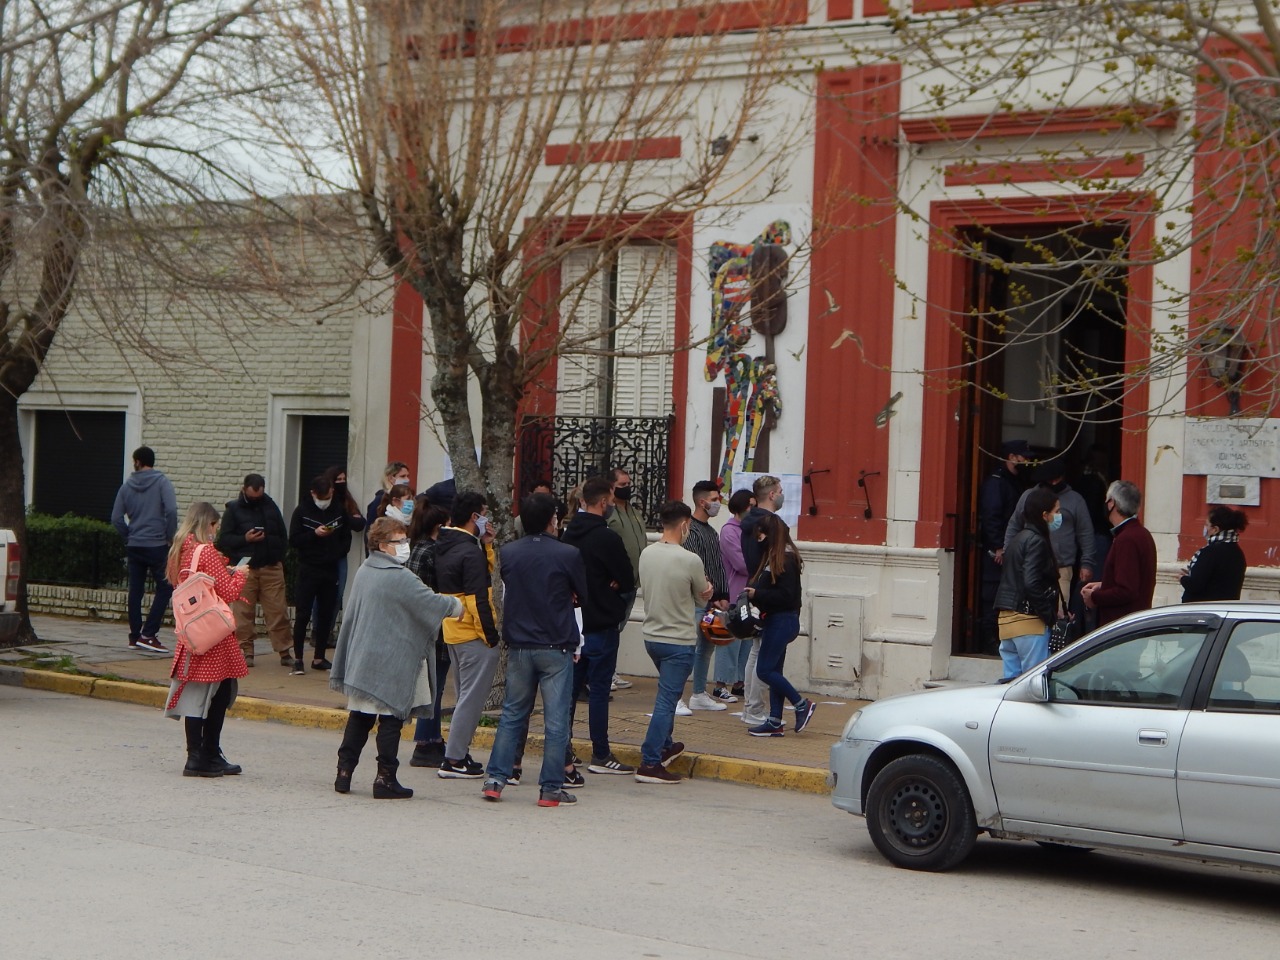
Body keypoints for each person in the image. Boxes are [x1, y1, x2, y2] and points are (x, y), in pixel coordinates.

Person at [329, 517, 463, 798]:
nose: (404, 546)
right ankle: (385, 779)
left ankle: (344, 773)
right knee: (391, 719)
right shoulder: (399, 577)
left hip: (363, 660)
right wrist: (457, 605)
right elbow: (431, 602)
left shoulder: (365, 570)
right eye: (398, 541)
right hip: (392, 662)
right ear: (381, 545)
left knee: (360, 717)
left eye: (405, 540)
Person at [482, 493, 588, 807]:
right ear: (552, 520)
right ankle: (550, 788)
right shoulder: (568, 553)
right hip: (555, 642)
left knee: (512, 713)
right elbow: (582, 594)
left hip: (520, 642)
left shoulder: (510, 552)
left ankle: (495, 779)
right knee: (556, 720)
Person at [162, 501, 248, 778]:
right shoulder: (206, 551)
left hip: (191, 632)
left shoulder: (179, 550)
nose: (216, 532)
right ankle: (209, 755)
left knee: (195, 695)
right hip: (213, 633)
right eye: (215, 526)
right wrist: (240, 575)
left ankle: (195, 756)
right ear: (207, 524)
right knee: (218, 694)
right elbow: (229, 592)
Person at [560, 475, 636, 776]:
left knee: (568, 692)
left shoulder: (567, 535)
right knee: (600, 691)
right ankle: (601, 753)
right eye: (611, 501)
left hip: (573, 623)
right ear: (603, 503)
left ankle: (563, 749)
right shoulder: (607, 538)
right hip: (601, 622)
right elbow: (627, 578)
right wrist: (613, 586)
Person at [634, 500, 710, 784]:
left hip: (652, 636)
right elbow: (701, 597)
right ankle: (650, 761)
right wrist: (707, 589)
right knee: (667, 700)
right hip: (679, 640)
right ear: (685, 525)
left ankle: (664, 744)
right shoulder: (690, 559)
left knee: (667, 695)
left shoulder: (647, 553)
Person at [434, 491, 501, 779]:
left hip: (453, 630)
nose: (487, 518)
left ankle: (458, 753)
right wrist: (491, 637)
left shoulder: (447, 544)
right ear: (475, 516)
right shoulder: (469, 551)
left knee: (464, 697)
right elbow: (478, 598)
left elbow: (476, 575)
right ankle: (454, 758)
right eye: (484, 513)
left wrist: (486, 546)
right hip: (473, 634)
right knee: (470, 701)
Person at [745, 512, 816, 738]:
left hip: (782, 621)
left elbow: (786, 596)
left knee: (764, 670)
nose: (759, 540)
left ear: (771, 535)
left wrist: (757, 594)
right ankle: (775, 720)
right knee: (775, 670)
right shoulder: (776, 557)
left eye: (761, 536)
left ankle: (801, 704)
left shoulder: (785, 560)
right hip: (777, 620)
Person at [1004, 455, 1096, 618]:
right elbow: (1014, 525)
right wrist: (1008, 553)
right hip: (1029, 565)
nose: (1054, 483)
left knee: (1059, 613)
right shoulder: (1028, 496)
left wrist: (1086, 563)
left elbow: (1085, 533)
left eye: (1057, 479)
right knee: (1028, 613)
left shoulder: (1076, 500)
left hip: (1061, 568)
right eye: (1050, 480)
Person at [216, 473, 292, 667]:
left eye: (259, 496)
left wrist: (278, 557)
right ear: (244, 490)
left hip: (271, 565)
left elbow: (282, 535)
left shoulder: (271, 507)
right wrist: (245, 539)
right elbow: (224, 540)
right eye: (251, 497)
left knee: (278, 610)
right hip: (244, 567)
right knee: (242, 613)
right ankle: (245, 651)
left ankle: (284, 651)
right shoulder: (233, 510)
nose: (255, 500)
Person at [111, 445, 178, 653]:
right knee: (166, 587)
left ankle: (134, 636)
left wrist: (129, 535)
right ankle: (148, 634)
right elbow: (171, 510)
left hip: (135, 545)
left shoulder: (126, 487)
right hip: (157, 544)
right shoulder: (162, 482)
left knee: (136, 591)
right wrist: (169, 536)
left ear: (138, 462)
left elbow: (116, 518)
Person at [993, 487, 1061, 680]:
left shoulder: (1017, 539)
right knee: (1034, 681)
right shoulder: (1037, 541)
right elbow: (1031, 582)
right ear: (1044, 515)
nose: (1059, 516)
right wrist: (1049, 615)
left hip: (1006, 621)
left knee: (1011, 683)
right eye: (1056, 511)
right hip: (1029, 622)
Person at [406, 500, 454, 768]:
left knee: (432, 685)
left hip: (420, 627)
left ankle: (432, 738)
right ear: (439, 526)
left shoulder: (417, 548)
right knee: (434, 687)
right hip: (435, 629)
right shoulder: (433, 552)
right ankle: (425, 742)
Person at [288, 475, 350, 673]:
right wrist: (314, 534)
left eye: (328, 496)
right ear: (313, 493)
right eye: (322, 497)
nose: (326, 500)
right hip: (308, 568)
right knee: (303, 614)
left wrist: (336, 552)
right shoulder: (302, 511)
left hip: (330, 568)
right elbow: (294, 540)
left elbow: (346, 538)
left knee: (326, 613)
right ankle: (298, 658)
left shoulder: (338, 509)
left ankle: (319, 657)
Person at [681, 480, 733, 712]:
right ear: (702, 502)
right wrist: (709, 591)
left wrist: (722, 594)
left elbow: (717, 566)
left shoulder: (711, 532)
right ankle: (676, 696)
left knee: (706, 648)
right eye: (714, 499)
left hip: (712, 601)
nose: (718, 503)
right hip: (696, 601)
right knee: (688, 649)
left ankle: (699, 693)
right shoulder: (691, 531)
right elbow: (695, 567)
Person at [977, 439, 1031, 651]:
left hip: (1014, 550)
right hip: (998, 554)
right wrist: (998, 546)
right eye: (1023, 457)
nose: (1027, 461)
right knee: (993, 595)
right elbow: (992, 517)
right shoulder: (997, 483)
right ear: (1012, 457)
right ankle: (989, 640)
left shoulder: (1014, 481)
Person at [1082, 480, 1157, 626]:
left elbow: (1126, 590)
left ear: (1111, 503)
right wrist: (1104, 585)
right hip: (1134, 623)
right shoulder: (1141, 534)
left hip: (1122, 626)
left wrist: (1095, 597)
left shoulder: (1127, 539)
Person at [719, 489, 760, 718]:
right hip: (735, 591)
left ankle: (739, 682)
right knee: (730, 642)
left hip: (750, 592)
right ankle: (721, 683)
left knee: (746, 642)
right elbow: (741, 563)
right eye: (750, 505)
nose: (753, 509)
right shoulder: (729, 531)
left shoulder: (750, 530)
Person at [1181, 506, 1248, 602]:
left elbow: (1195, 585)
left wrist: (1182, 578)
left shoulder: (1210, 552)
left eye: (1207, 525)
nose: (1205, 528)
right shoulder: (1237, 552)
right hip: (1225, 606)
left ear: (1215, 529)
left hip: (1203, 608)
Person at [740, 474, 787, 578]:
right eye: (780, 492)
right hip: (771, 582)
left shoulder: (748, 520)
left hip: (753, 581)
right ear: (772, 495)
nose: (782, 495)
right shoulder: (774, 524)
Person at [365, 461, 412, 530]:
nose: (407, 480)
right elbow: (370, 530)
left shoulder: (410, 500)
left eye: (408, 476)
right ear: (390, 478)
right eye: (403, 476)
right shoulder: (380, 500)